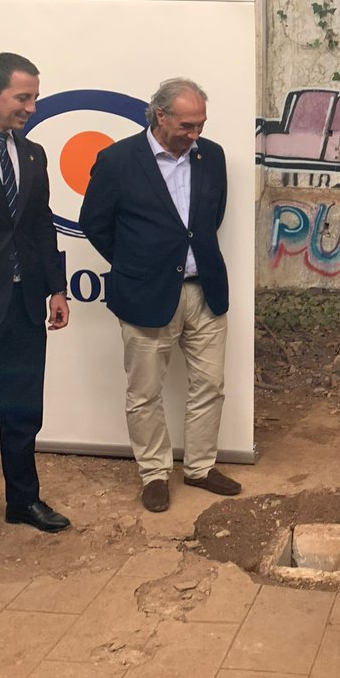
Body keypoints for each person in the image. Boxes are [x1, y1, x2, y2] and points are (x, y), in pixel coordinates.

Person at [79, 77, 240, 512]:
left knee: (210, 384)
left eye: (201, 125)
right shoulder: (117, 161)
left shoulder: (212, 157)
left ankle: (200, 467)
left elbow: (210, 217)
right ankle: (154, 473)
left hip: (205, 290)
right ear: (160, 116)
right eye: (186, 126)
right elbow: (95, 223)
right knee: (144, 392)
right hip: (145, 294)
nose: (195, 135)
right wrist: (137, 263)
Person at [0, 52, 71, 566]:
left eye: (35, 97)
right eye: (24, 97)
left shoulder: (33, 153)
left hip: (25, 308)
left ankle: (22, 501)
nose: (31, 106)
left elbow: (40, 224)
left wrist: (57, 289)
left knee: (23, 413)